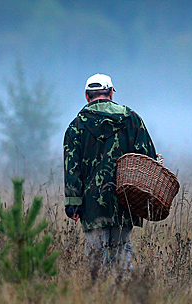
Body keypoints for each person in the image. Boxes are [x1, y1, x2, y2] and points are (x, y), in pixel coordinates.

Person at [64, 73, 156, 280]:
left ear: (87, 96)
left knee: (95, 262)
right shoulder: (132, 119)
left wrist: (73, 203)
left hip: (91, 205)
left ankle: (99, 300)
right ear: (111, 93)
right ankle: (125, 298)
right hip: (125, 201)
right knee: (122, 256)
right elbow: (148, 158)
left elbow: (72, 168)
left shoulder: (75, 126)